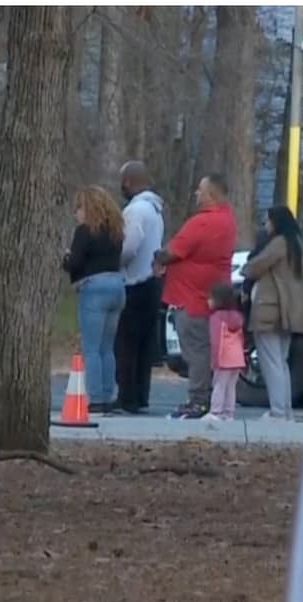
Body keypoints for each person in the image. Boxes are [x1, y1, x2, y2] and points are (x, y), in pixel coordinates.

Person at [154, 174, 237, 419]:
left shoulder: (202, 223)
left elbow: (173, 251)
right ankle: (212, 399)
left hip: (191, 298)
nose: (196, 193)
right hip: (211, 296)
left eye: (200, 190)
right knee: (206, 350)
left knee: (196, 351)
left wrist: (158, 258)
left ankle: (199, 400)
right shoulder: (228, 221)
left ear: (211, 194)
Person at [241, 206, 303, 420]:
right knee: (281, 362)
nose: (266, 225)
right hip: (290, 312)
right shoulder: (297, 244)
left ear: (276, 222)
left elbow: (255, 266)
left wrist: (246, 269)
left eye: (268, 221)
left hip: (270, 310)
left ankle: (278, 411)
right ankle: (285, 410)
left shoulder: (279, 243)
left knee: (271, 363)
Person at [63, 185, 127, 413]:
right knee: (107, 347)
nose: (76, 213)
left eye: (79, 208)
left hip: (94, 287)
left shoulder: (84, 231)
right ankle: (109, 395)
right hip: (117, 286)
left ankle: (96, 398)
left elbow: (76, 263)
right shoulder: (116, 230)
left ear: (88, 208)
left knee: (91, 347)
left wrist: (65, 259)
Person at [114, 161, 165, 414]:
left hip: (134, 282)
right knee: (144, 344)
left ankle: (127, 397)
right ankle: (141, 395)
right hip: (152, 282)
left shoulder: (135, 210)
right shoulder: (155, 210)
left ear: (128, 182)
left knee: (126, 343)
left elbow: (129, 247)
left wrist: (113, 260)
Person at [206, 284, 245, 422]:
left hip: (223, 357)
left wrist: (214, 360)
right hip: (237, 358)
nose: (208, 301)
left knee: (219, 385)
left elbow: (216, 340)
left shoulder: (216, 318)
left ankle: (216, 412)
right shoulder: (238, 317)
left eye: (210, 298)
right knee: (231, 387)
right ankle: (229, 413)